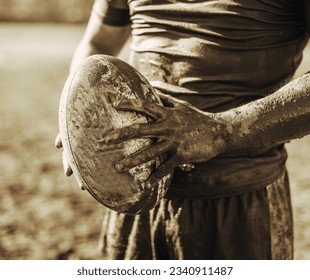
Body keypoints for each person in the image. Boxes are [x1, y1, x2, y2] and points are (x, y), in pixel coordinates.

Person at [56, 0, 310, 260]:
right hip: (133, 192)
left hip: (241, 200)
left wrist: (221, 131)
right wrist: (76, 114)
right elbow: (98, 41)